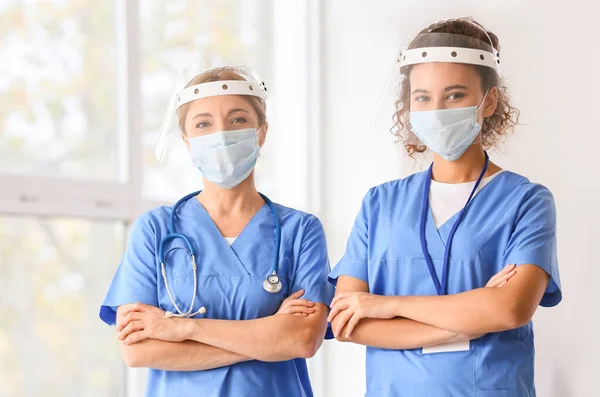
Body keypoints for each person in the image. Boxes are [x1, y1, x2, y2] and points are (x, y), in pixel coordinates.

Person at [328, 17, 561, 396]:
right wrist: (469, 319)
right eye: (423, 97)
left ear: (490, 102)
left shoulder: (526, 201)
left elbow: (510, 310)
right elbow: (346, 321)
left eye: (454, 95)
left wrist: (387, 305)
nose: (437, 109)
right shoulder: (380, 204)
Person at [99, 64, 334, 397]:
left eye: (238, 120)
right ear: (188, 141)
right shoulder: (154, 230)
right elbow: (139, 351)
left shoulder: (300, 231)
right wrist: (268, 338)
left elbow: (302, 339)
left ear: (261, 132)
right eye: (203, 124)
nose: (221, 134)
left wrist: (181, 328)